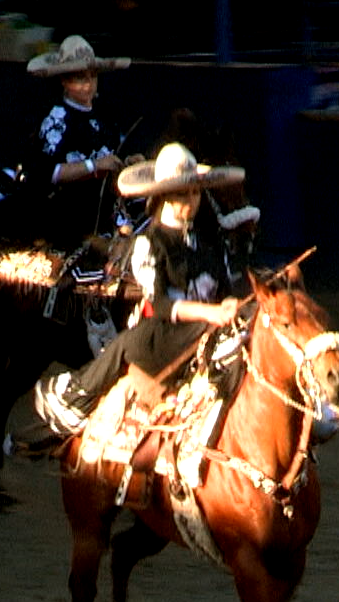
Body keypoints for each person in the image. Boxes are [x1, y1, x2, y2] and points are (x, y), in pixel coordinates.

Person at [33, 143, 244, 438]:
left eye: (196, 192)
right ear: (165, 197)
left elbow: (225, 293)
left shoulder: (211, 243)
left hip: (210, 329)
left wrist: (231, 308)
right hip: (163, 336)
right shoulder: (150, 243)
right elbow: (160, 306)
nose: (192, 200)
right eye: (184, 193)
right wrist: (212, 313)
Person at [0, 36, 138, 280]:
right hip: (60, 207)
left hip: (99, 205)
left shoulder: (104, 119)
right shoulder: (57, 119)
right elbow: (43, 172)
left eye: (92, 77)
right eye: (79, 78)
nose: (88, 85)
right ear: (64, 81)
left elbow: (110, 159)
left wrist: (126, 166)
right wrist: (92, 165)